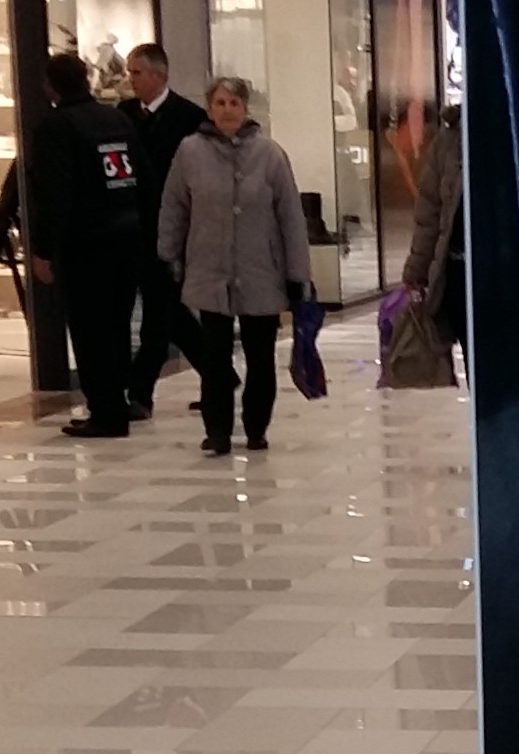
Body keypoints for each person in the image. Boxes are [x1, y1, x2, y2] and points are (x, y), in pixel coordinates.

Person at [158, 74, 312, 457]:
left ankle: (256, 426)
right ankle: (217, 431)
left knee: (260, 356)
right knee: (214, 357)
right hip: (210, 269)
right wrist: (168, 254)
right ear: (209, 108)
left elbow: (291, 218)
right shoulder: (189, 152)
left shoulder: (270, 155)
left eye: (234, 103)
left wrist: (298, 274)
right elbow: (174, 206)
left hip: (261, 270)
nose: (227, 110)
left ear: (245, 109)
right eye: (220, 103)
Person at [28, 48, 143, 440]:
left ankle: (106, 411)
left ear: (51, 86)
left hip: (86, 244)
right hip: (127, 236)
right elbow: (143, 176)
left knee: (90, 329)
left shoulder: (55, 128)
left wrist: (43, 249)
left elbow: (53, 193)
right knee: (117, 325)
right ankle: (117, 403)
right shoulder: (116, 119)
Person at [120, 41, 204, 414]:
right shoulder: (124, 115)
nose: (131, 80)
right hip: (136, 229)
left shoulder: (189, 118)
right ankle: (219, 374)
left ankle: (140, 393)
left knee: (158, 313)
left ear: (158, 75)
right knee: (172, 313)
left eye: (137, 72)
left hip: (173, 230)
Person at [394, 100, 465, 379]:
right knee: (478, 366)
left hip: (516, 277)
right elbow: (430, 213)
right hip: (461, 274)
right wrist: (417, 271)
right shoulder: (450, 139)